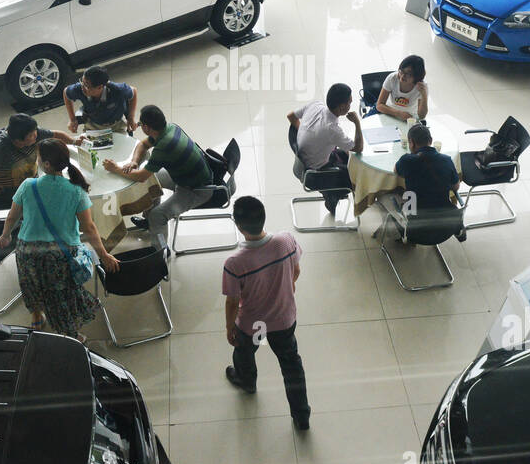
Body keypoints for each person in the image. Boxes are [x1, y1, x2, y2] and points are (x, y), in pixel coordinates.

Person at [0, 138, 119, 339]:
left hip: (27, 251)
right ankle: (71, 336)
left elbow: (12, 216)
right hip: (60, 255)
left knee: (31, 285)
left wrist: (5, 235)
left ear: (46, 164)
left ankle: (36, 317)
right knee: (60, 296)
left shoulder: (28, 185)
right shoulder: (76, 191)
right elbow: (89, 227)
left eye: (38, 157)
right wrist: (103, 255)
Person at [221, 196, 310, 431]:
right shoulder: (285, 240)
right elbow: (296, 270)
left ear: (239, 227)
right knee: (291, 365)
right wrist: (286, 287)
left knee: (244, 352)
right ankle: (301, 416)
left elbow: (233, 301)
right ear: (263, 217)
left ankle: (247, 381)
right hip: (284, 319)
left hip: (253, 325)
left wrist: (230, 327)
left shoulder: (235, 262)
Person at [102, 105, 214, 248]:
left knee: (158, 215)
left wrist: (116, 169)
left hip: (197, 190)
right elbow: (143, 144)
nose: (140, 126)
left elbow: (141, 176)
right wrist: (134, 162)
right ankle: (148, 221)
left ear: (147, 128)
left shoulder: (164, 146)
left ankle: (160, 251)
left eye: (141, 124)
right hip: (186, 176)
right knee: (151, 180)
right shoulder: (169, 128)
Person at [289, 83, 363, 214]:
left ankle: (331, 194)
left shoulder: (315, 105)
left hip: (305, 161)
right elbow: (358, 147)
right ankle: (332, 195)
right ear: (342, 107)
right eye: (349, 103)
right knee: (355, 175)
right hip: (317, 174)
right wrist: (357, 122)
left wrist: (307, 134)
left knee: (347, 155)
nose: (350, 106)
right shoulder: (331, 129)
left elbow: (291, 116)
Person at [0, 113, 76, 198]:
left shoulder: (32, 132)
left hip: (29, 182)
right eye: (32, 135)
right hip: (9, 191)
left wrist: (74, 141)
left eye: (35, 131)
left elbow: (56, 135)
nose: (36, 135)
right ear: (18, 140)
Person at [394, 124, 459, 212]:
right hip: (443, 217)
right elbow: (455, 186)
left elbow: (395, 171)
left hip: (415, 216)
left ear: (411, 143)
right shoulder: (446, 160)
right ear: (431, 140)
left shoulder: (407, 160)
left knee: (389, 195)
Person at [63, 66, 137, 134]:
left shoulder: (118, 89)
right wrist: (72, 119)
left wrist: (131, 117)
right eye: (82, 82)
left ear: (100, 87)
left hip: (116, 126)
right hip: (93, 126)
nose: (82, 87)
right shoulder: (80, 88)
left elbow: (133, 91)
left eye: (86, 85)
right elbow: (66, 92)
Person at [376, 55, 429, 121]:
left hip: (410, 118)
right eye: (401, 71)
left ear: (417, 75)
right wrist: (399, 113)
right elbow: (379, 105)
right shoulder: (392, 78)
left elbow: (422, 115)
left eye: (408, 74)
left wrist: (424, 94)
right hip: (390, 114)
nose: (402, 76)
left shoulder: (421, 87)